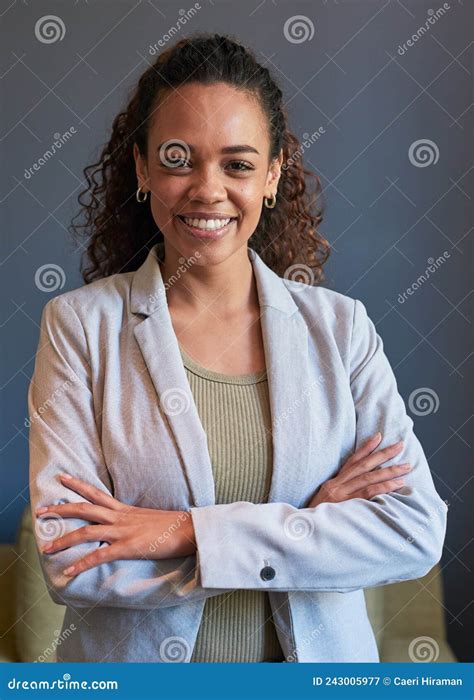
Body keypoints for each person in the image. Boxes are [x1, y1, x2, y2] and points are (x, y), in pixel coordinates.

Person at [28, 33, 447, 663]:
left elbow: (414, 531)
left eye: (238, 164)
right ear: (143, 168)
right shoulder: (79, 327)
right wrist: (307, 519)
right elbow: (74, 561)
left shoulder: (342, 329)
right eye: (178, 159)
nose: (207, 188)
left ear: (273, 175)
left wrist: (182, 532)